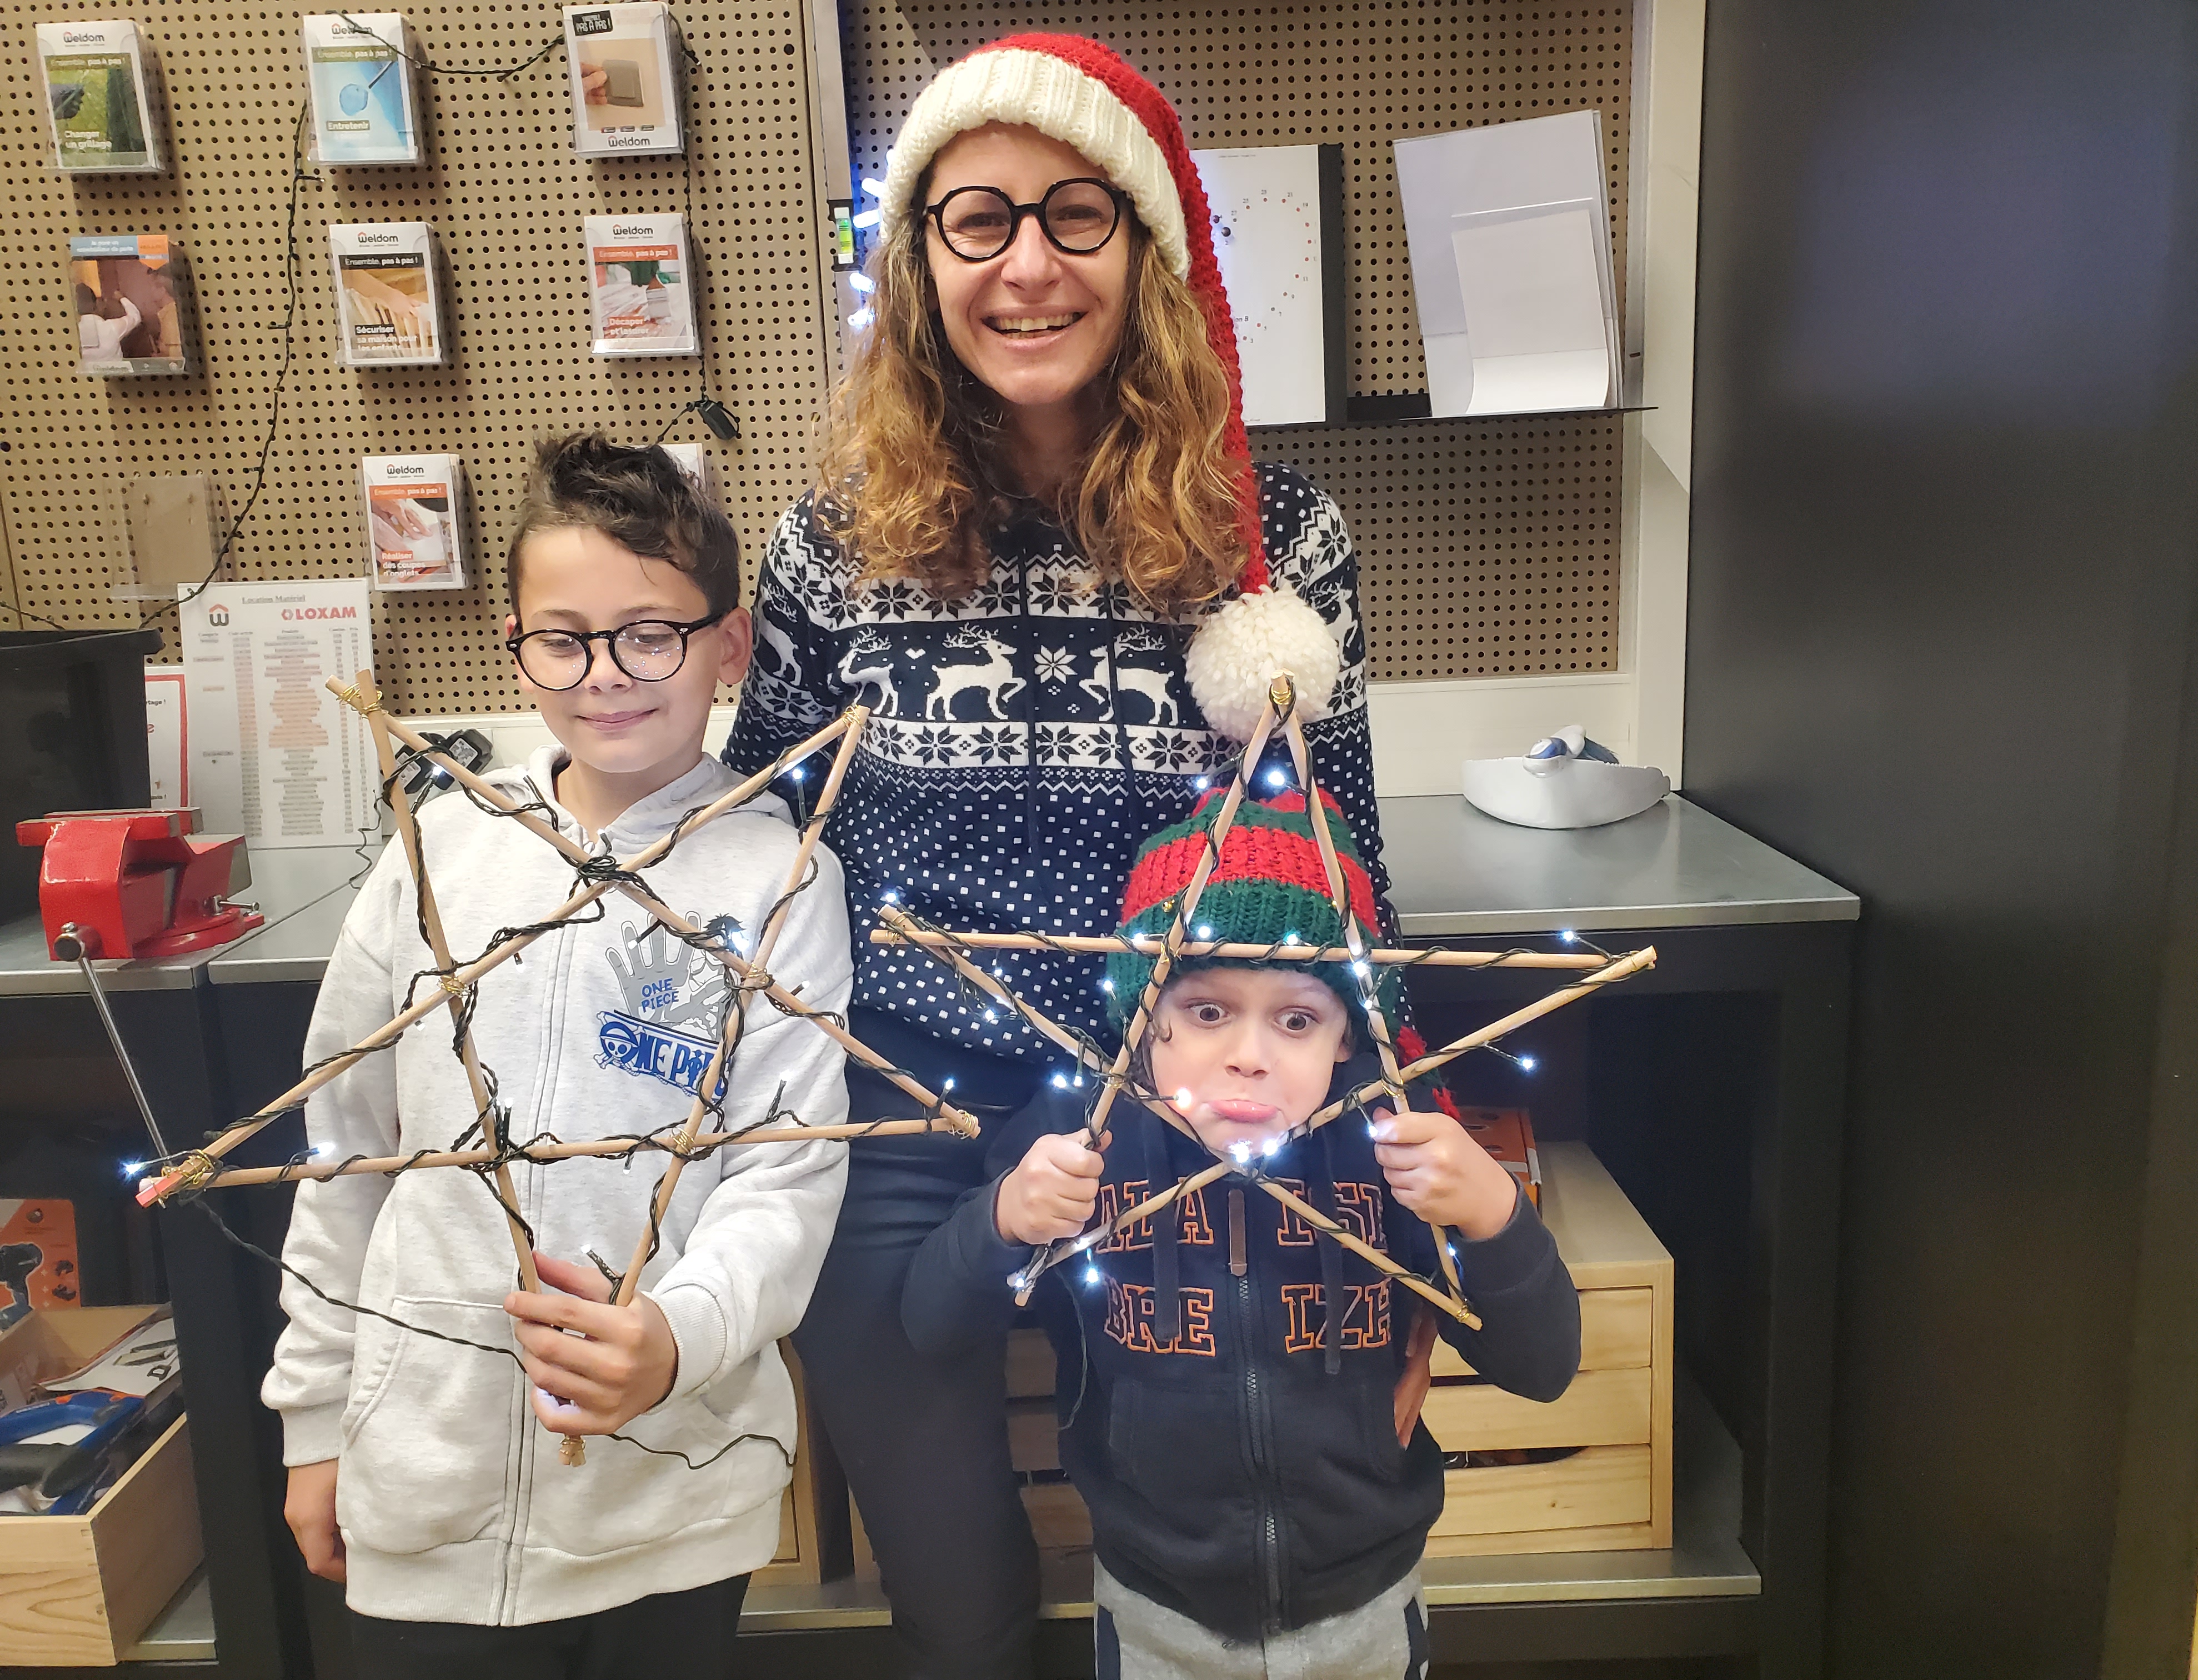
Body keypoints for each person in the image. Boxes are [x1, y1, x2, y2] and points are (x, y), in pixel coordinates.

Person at [723, 32, 1390, 1677]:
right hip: (894, 1111)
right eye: (980, 220)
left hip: (1171, 1111)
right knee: (959, 1609)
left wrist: (1378, 1212)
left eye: (1076, 214)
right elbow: (757, 843)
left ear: (1145, 253)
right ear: (922, 262)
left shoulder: (1273, 539)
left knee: (1208, 1560)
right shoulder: (829, 544)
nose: (1027, 264)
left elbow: (1346, 876)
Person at [264, 434, 852, 1678]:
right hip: (422, 1474)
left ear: (729, 646)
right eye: (564, 639)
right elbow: (344, 1150)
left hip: (673, 1495)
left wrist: (679, 1337)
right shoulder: (434, 853)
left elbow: (787, 1174)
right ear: (517, 645)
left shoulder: (783, 878)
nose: (606, 676)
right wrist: (314, 1417)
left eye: (650, 635)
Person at [903, 789, 1584, 1677]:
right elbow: (932, 1325)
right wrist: (1003, 1220)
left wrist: (1493, 1212)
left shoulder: (1390, 1145)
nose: (1250, 1057)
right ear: (1143, 1014)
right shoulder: (1082, 1138)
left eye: (1297, 1019)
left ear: (1347, 1036)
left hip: (1367, 1601)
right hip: (1155, 1608)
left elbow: (1543, 1369)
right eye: (1207, 1012)